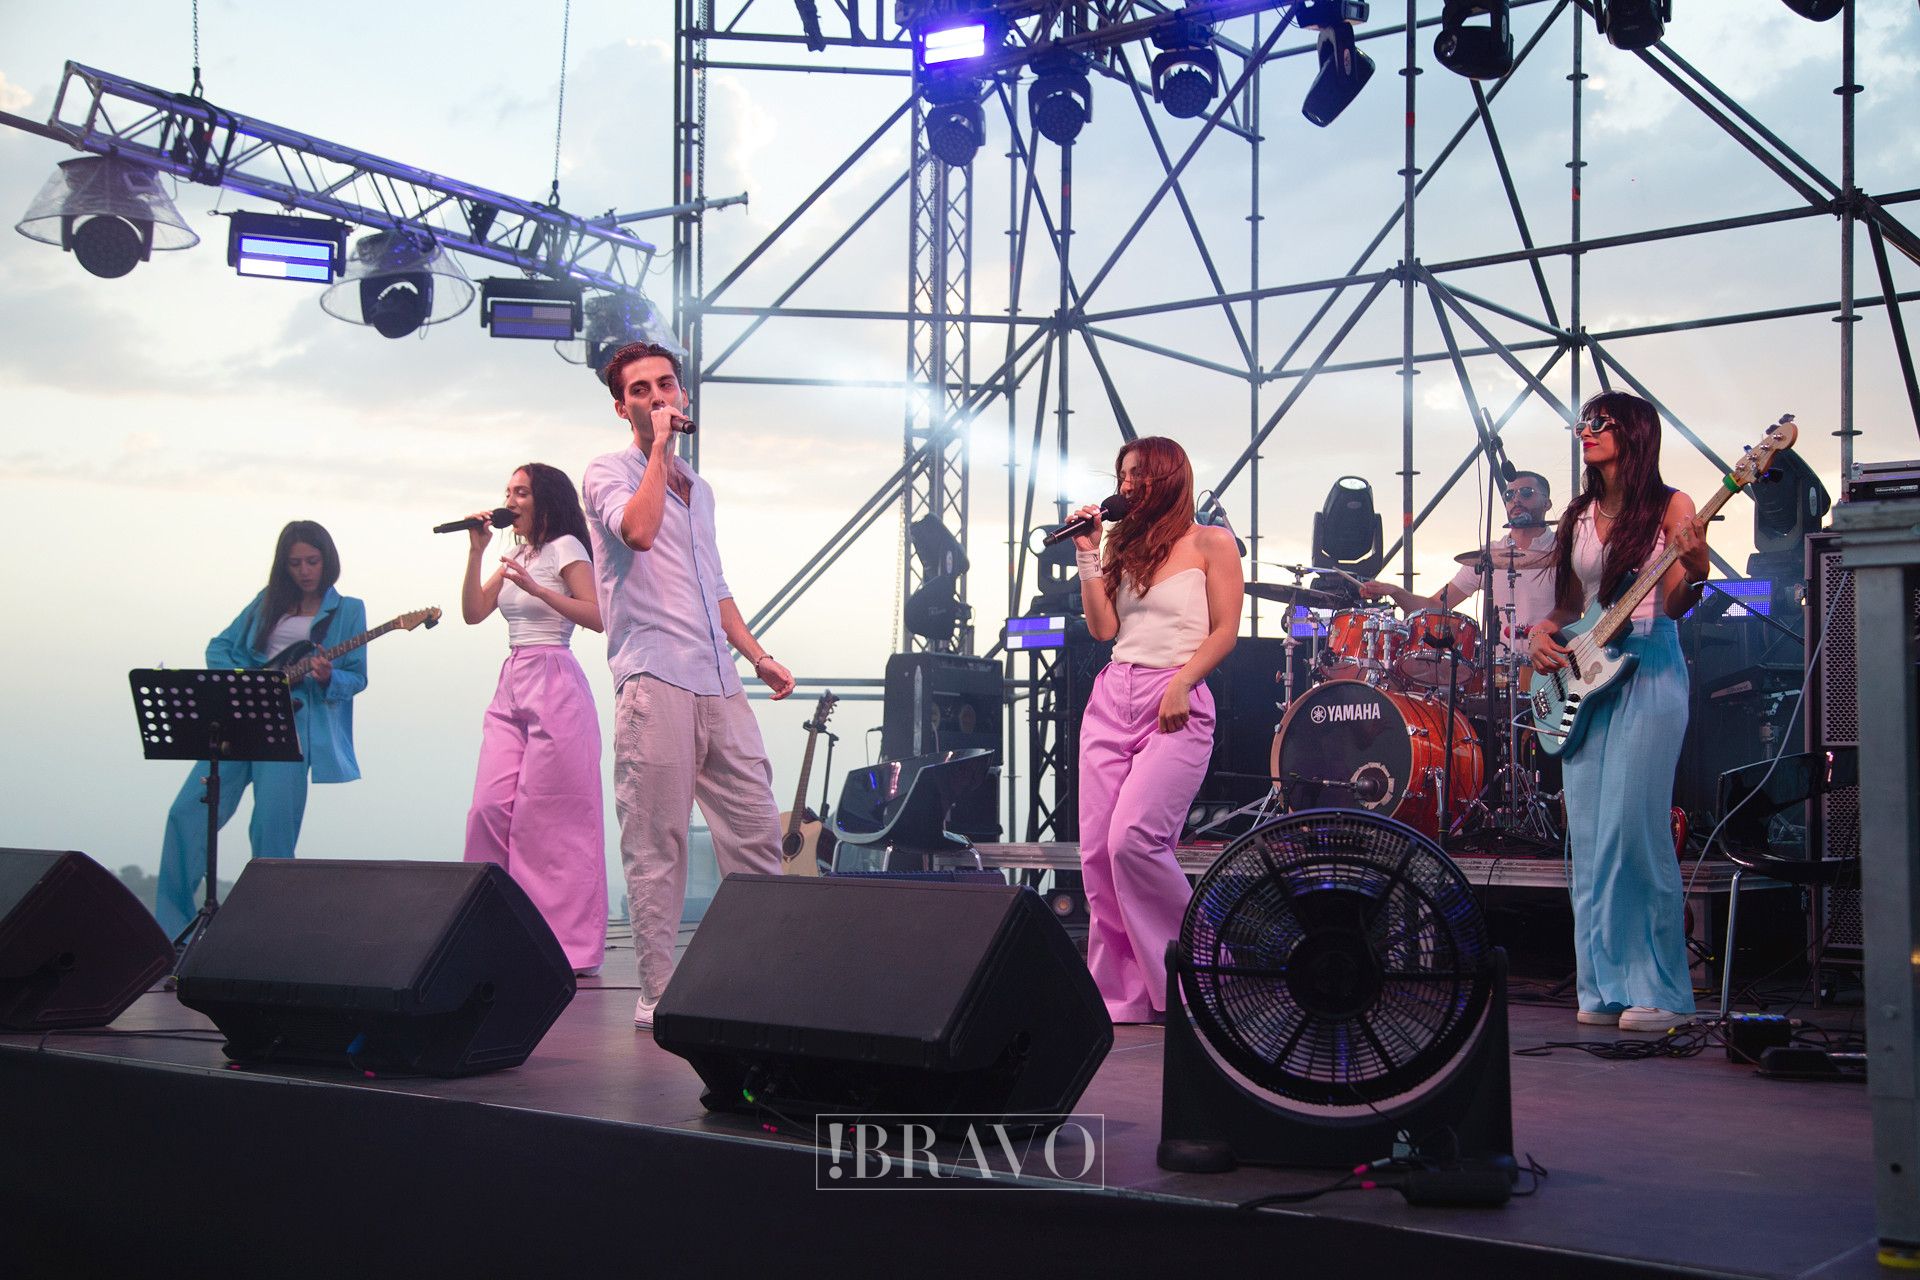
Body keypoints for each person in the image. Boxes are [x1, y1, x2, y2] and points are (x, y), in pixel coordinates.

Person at [581, 341, 795, 1030]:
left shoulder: (699, 489)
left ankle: (762, 982)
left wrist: (757, 655)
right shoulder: (606, 472)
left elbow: (715, 584)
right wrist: (657, 453)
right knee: (658, 842)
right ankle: (658, 996)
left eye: (665, 384)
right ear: (623, 408)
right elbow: (638, 532)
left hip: (718, 679)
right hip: (654, 675)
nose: (656, 396)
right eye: (640, 390)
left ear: (683, 393)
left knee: (756, 832)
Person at [1527, 392, 1709, 1033]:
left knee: (1636, 828)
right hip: (1587, 674)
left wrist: (1695, 563)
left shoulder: (1673, 506)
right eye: (1584, 421)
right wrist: (1539, 636)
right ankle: (1604, 987)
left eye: (1601, 422)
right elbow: (1568, 608)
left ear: (1634, 433)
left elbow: (1678, 602)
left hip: (1650, 667)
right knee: (1590, 836)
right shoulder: (1577, 515)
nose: (1588, 430)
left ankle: (1661, 992)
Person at [1072, 437, 1244, 1024]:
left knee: (1134, 841)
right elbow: (1103, 629)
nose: (1125, 485)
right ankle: (1123, 996)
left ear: (1166, 477)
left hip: (1176, 697)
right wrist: (1089, 554)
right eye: (1122, 475)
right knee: (1099, 854)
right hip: (1112, 694)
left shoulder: (1211, 542)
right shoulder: (1124, 545)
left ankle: (1204, 978)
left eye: (1137, 475)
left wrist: (1183, 681)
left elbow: (1225, 630)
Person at [155, 521, 367, 937]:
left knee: (272, 835)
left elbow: (356, 677)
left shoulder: (348, 610)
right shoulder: (267, 601)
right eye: (295, 563)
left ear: (327, 560)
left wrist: (328, 677)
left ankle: (267, 936)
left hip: (291, 730)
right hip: (239, 721)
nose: (304, 571)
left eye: (312, 561)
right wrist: (249, 682)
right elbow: (219, 646)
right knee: (187, 813)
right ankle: (170, 932)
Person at [460, 463, 608, 977]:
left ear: (544, 499)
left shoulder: (566, 547)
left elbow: (598, 616)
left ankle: (562, 947)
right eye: (507, 492)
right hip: (512, 680)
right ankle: (488, 933)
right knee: (488, 808)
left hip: (555, 677)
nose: (510, 500)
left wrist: (541, 591)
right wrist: (477, 551)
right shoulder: (516, 556)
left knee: (547, 821)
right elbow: (473, 612)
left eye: (520, 492)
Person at [1362, 469, 1557, 657]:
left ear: (1547, 503)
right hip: (1501, 669)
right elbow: (1435, 606)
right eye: (1509, 495)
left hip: (1555, 662)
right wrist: (1395, 591)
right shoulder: (1489, 555)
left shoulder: (1563, 549)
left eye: (1526, 492)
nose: (1516, 499)